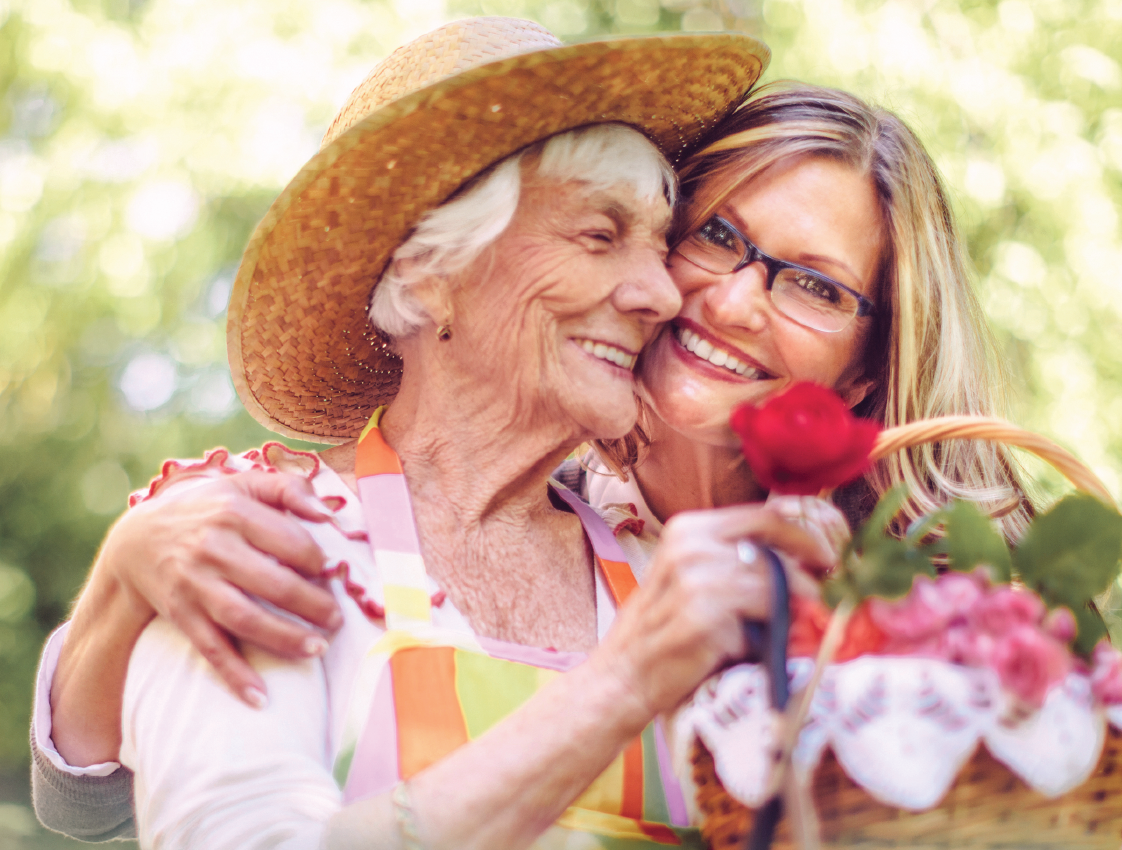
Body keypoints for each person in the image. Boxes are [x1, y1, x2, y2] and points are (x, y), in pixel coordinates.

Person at [32, 52, 1028, 848]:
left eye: (816, 285)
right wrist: (118, 589)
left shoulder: (673, 568)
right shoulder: (269, 538)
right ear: (431, 269)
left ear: (864, 376)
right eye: (604, 236)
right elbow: (107, 802)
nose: (670, 294)